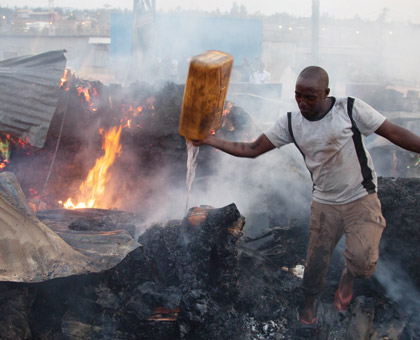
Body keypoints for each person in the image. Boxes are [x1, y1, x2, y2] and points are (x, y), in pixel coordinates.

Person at [192, 66, 420, 325]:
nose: (302, 102)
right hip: (324, 203)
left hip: (361, 197)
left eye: (310, 96)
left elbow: (393, 132)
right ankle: (309, 306)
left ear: (326, 93)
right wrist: (210, 140)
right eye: (298, 95)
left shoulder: (350, 109)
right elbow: (253, 148)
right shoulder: (291, 123)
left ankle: (349, 276)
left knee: (363, 262)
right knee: (314, 266)